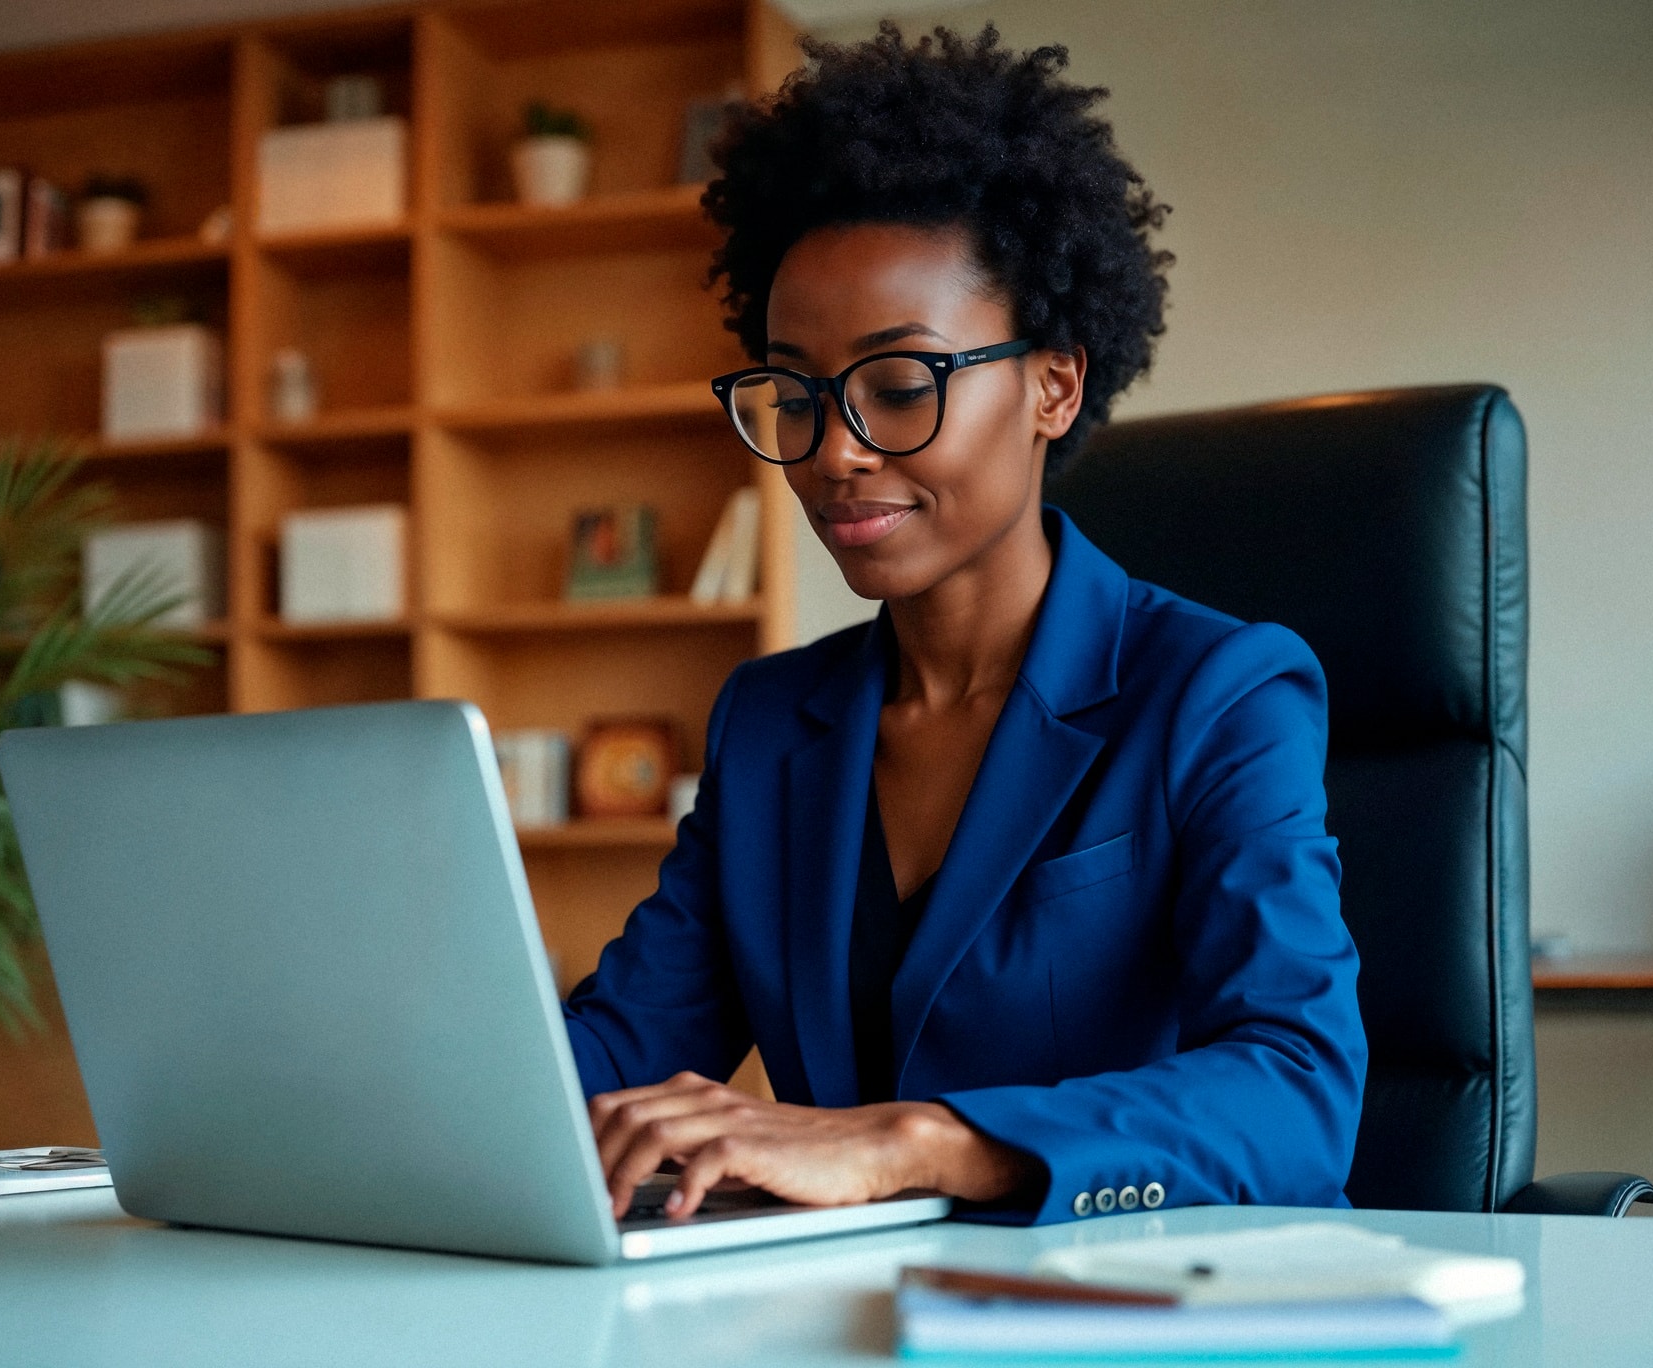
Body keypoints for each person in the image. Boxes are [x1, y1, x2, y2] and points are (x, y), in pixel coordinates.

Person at [561, 24, 1367, 1227]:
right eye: (795, 393)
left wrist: (913, 1144)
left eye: (899, 385)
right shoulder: (772, 722)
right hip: (841, 1314)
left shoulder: (1216, 692)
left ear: (1052, 384)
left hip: (1128, 1314)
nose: (832, 452)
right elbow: (613, 1052)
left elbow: (1296, 1091)